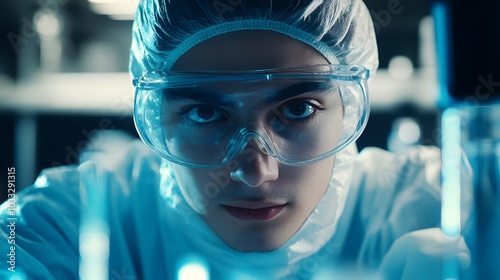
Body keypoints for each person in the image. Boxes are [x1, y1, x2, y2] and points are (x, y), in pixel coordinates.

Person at [0, 0, 472, 279]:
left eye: (297, 109)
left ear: (349, 107)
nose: (254, 170)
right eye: (205, 113)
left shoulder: (444, 205)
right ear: (155, 116)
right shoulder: (65, 225)